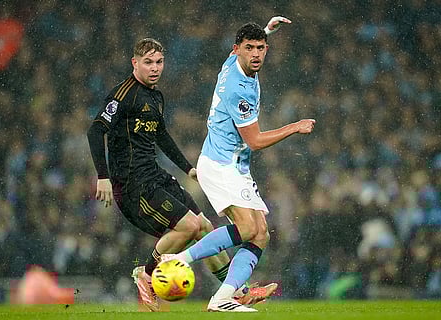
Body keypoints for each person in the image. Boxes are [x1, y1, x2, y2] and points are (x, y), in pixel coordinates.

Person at [87, 38, 275, 312]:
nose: (155, 68)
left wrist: (188, 168)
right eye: (148, 62)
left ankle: (237, 292)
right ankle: (147, 274)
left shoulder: (155, 96)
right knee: (188, 226)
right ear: (134, 63)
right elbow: (95, 130)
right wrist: (102, 175)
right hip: (131, 184)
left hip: (154, 176)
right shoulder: (123, 94)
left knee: (204, 227)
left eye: (159, 62)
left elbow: (161, 136)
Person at [162, 18, 316, 312]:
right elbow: (255, 140)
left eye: (261, 48)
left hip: (233, 166)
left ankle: (224, 297)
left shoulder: (232, 62)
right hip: (221, 165)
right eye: (250, 48)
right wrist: (294, 127)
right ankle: (180, 260)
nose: (256, 54)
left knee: (261, 233)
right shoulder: (238, 89)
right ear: (237, 49)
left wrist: (267, 30)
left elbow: (249, 47)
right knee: (247, 227)